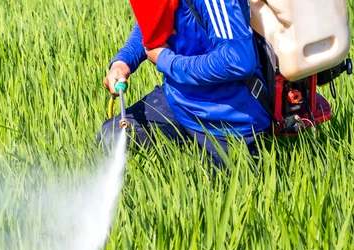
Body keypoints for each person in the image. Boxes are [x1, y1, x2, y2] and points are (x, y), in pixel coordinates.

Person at [99, 0, 272, 167]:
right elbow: (153, 20)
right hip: (178, 103)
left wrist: (166, 61)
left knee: (221, 194)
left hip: (228, 119)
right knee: (111, 138)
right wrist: (123, 62)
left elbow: (237, 61)